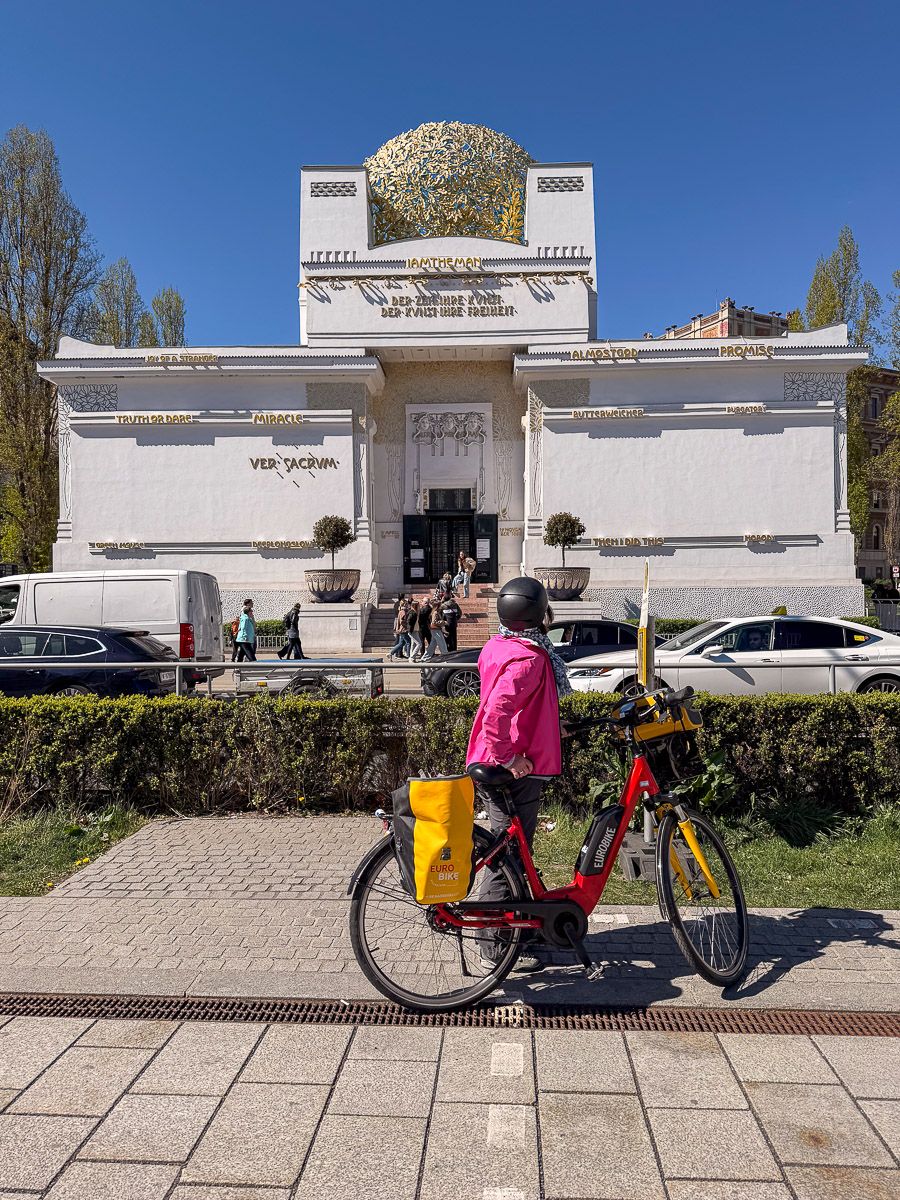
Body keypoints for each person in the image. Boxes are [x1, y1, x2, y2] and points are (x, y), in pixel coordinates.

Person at [466, 576, 572, 972]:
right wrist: (510, 759)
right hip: (512, 770)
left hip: (505, 761)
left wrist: (550, 722)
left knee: (515, 853)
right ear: (539, 615)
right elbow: (497, 714)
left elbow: (520, 704)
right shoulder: (530, 659)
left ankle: (517, 927)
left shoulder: (499, 645)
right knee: (505, 856)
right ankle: (494, 946)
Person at [415, 597, 432, 661]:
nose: (421, 602)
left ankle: (423, 654)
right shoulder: (430, 608)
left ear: (425, 603)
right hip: (428, 627)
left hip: (422, 627)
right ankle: (430, 653)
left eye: (422, 601)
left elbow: (420, 618)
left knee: (422, 641)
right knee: (429, 640)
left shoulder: (423, 610)